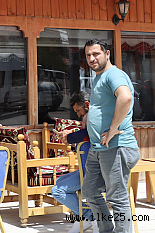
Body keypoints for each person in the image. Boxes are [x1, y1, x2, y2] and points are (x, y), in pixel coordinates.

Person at [82, 39, 139, 233]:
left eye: (96, 54)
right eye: (88, 55)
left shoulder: (113, 74)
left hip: (116, 146)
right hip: (99, 148)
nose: (92, 58)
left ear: (107, 54)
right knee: (90, 193)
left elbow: (126, 97)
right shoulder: (100, 77)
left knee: (117, 198)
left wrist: (113, 128)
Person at [52, 91, 99, 233]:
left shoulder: (94, 117)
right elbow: (85, 136)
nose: (78, 115)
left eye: (78, 110)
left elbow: (86, 134)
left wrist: (70, 137)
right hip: (89, 169)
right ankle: (87, 217)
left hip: (95, 173)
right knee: (60, 182)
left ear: (87, 105)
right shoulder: (90, 117)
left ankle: (90, 217)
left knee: (58, 191)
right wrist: (69, 136)